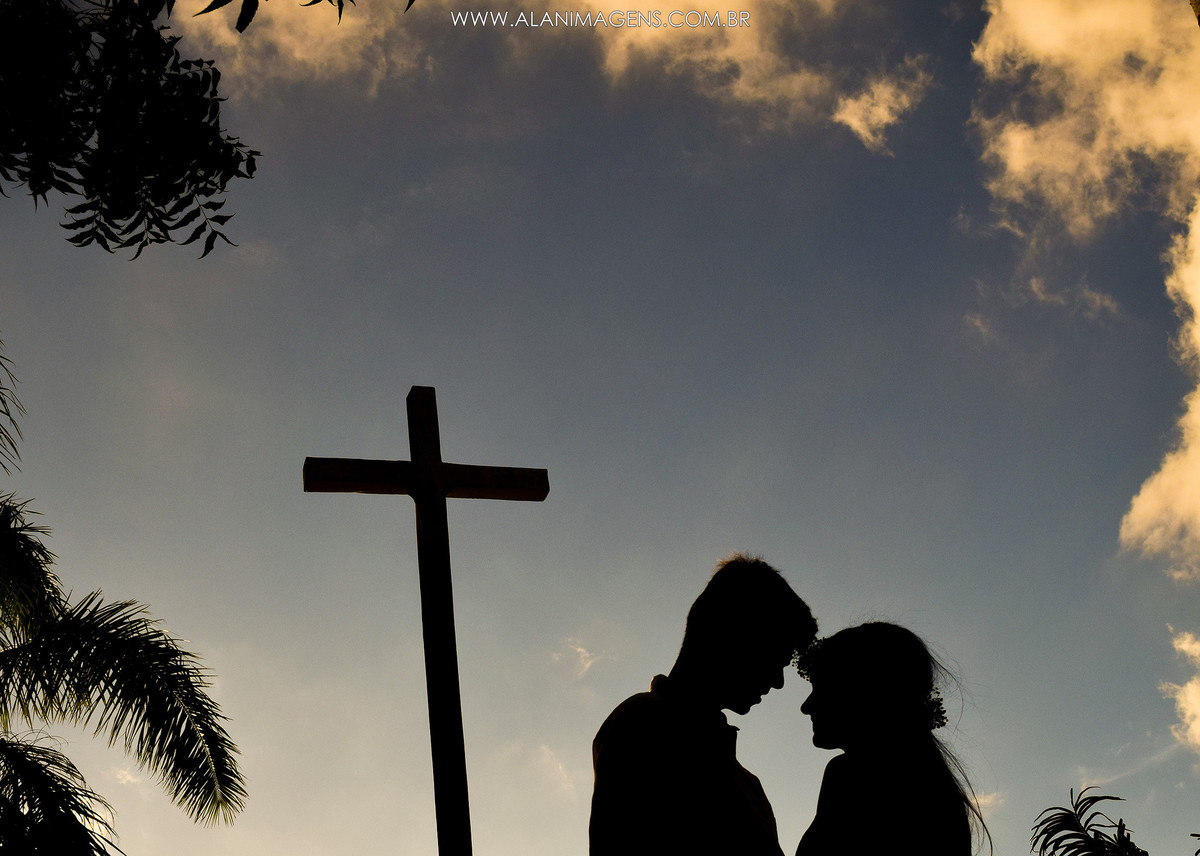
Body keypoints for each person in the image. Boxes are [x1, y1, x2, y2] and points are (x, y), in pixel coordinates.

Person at [589, 553, 818, 856]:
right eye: (775, 657)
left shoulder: (748, 783)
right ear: (734, 636)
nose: (778, 682)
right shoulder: (645, 723)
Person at [795, 622, 990, 856]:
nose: (806, 706)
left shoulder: (849, 775)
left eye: (822, 689)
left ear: (863, 691)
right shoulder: (936, 791)